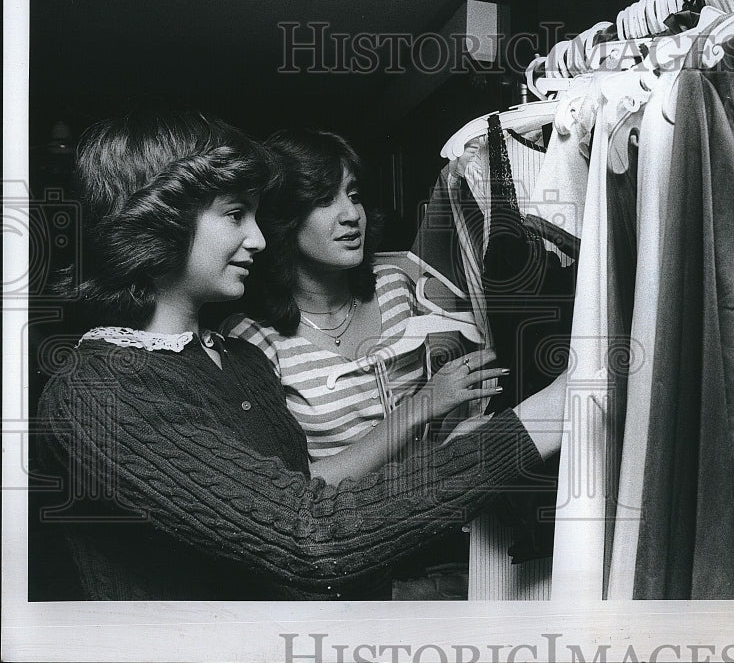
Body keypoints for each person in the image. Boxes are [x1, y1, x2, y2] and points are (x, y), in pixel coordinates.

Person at [34, 109, 564, 601]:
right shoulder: (101, 389)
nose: (260, 239)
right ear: (160, 219)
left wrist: (446, 458)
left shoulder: (240, 358)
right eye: (236, 214)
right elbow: (309, 537)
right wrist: (537, 420)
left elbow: (306, 488)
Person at [223, 128, 481, 481]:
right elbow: (291, 488)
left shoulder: (395, 286)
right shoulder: (251, 338)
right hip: (345, 527)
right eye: (325, 199)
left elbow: (434, 429)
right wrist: (418, 408)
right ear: (283, 217)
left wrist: (455, 441)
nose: (351, 215)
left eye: (354, 194)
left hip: (429, 506)